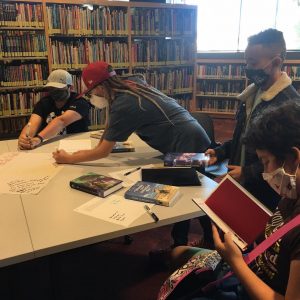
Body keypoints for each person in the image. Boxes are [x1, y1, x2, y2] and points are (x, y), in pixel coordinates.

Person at [160, 101, 300, 299]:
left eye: (266, 162)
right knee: (178, 254)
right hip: (250, 264)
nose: (265, 172)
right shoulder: (292, 194)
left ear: (294, 158)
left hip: (248, 276)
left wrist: (235, 261)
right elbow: (278, 235)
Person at [201, 28, 300, 246]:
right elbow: (244, 137)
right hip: (240, 182)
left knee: (254, 238)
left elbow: (284, 160)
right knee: (226, 230)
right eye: (246, 62)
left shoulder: (290, 105)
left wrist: (248, 172)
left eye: (253, 63)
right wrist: (221, 151)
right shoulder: (252, 94)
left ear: (275, 62)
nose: (248, 68)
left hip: (264, 190)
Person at [52, 61, 211, 164]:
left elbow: (103, 152)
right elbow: (110, 127)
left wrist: (69, 159)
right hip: (191, 138)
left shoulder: (124, 104)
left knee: (181, 192)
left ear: (100, 88)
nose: (92, 96)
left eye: (91, 92)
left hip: (189, 148)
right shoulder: (129, 84)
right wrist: (89, 151)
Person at [18, 69, 90, 150]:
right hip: (49, 145)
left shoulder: (80, 102)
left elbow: (61, 121)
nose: (54, 91)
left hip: (76, 145)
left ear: (71, 87)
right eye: (51, 89)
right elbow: (33, 123)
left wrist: (38, 138)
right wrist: (25, 138)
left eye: (59, 89)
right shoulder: (44, 103)